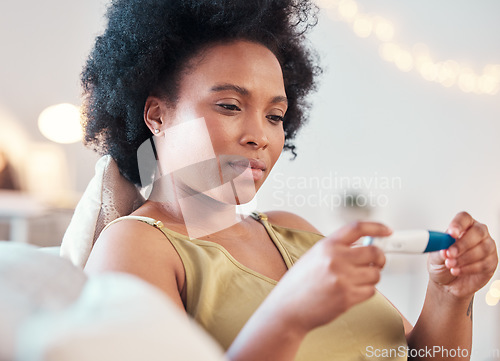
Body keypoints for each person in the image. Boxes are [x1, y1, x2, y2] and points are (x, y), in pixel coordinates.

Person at [82, 0, 498, 360]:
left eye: (275, 116)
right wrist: (289, 315)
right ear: (157, 116)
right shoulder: (136, 246)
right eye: (229, 105)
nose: (259, 136)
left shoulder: (293, 230)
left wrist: (450, 293)